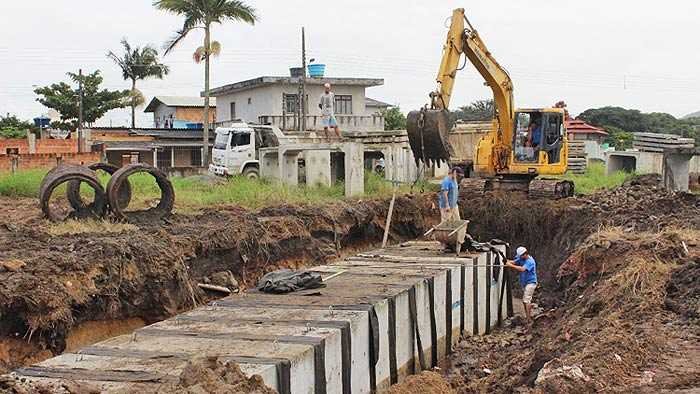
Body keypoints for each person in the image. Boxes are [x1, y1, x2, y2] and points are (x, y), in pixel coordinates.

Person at [506, 246, 538, 324]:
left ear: (525, 254)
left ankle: (529, 320)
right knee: (525, 301)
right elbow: (514, 262)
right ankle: (527, 317)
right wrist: (506, 262)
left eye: (521, 256)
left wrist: (510, 266)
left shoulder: (530, 261)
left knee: (526, 300)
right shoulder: (521, 258)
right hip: (525, 283)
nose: (520, 258)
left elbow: (522, 269)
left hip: (531, 283)